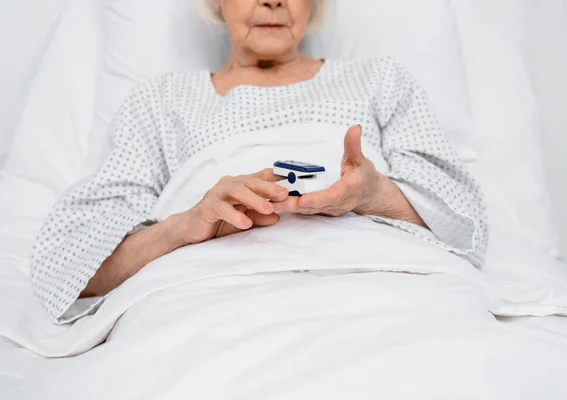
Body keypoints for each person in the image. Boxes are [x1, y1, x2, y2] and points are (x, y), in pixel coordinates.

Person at [32, 0, 488, 323]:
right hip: (206, 296)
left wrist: (375, 195)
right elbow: (74, 267)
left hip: (380, 282)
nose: (273, 2)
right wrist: (183, 226)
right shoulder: (161, 102)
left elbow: (464, 223)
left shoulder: (379, 81)